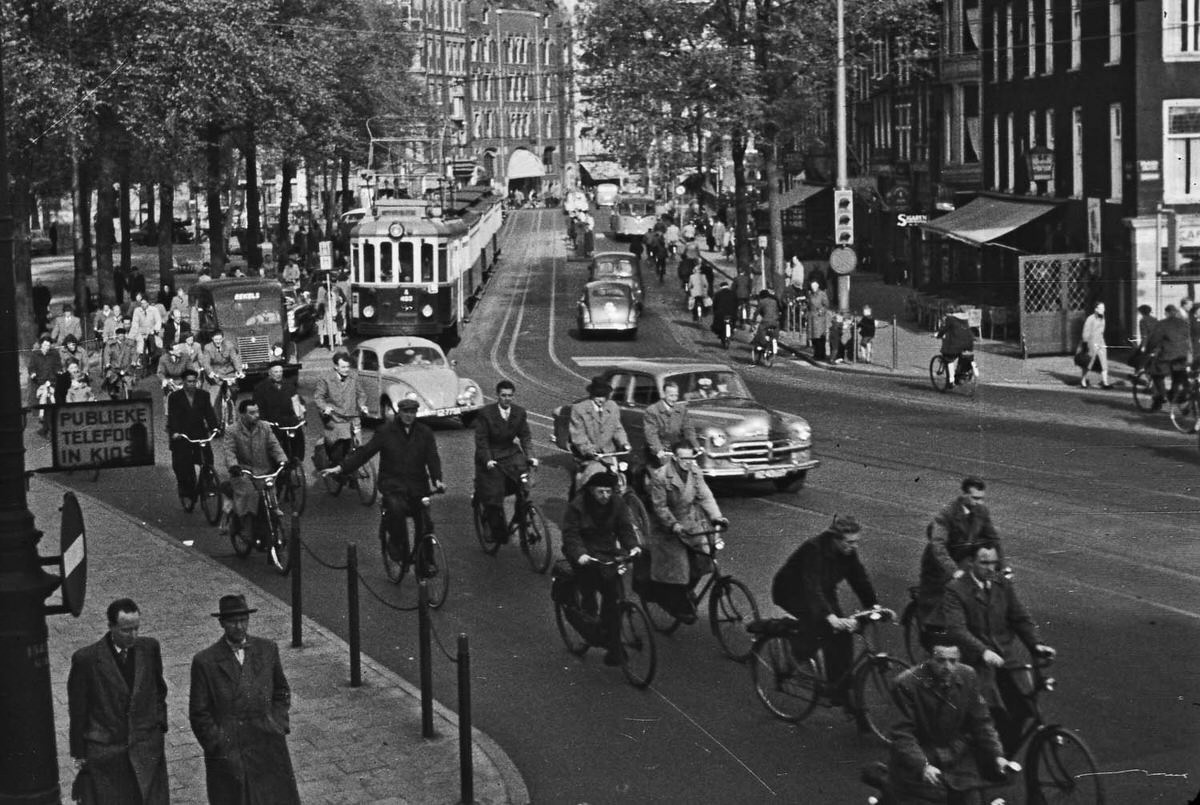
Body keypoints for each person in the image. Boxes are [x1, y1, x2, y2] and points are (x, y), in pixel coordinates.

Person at [942, 544, 1056, 754]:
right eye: (984, 563)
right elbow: (956, 629)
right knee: (992, 712)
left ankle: (1004, 755)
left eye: (993, 563)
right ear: (971, 563)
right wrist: (983, 651)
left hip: (1005, 659)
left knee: (1023, 706)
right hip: (975, 662)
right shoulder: (955, 590)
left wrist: (1036, 643)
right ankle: (986, 754)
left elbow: (1019, 616)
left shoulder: (1001, 583)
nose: (990, 568)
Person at [189, 594, 300, 805]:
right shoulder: (206, 661)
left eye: (243, 620)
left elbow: (282, 691)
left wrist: (277, 723)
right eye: (232, 622)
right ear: (222, 623)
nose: (239, 627)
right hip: (231, 751)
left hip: (267, 745)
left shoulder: (267, 649)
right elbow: (199, 713)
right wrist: (218, 743)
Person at [770, 514, 884, 707]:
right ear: (835, 539)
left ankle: (837, 689)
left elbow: (860, 580)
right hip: (792, 591)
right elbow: (811, 585)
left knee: (843, 634)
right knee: (821, 626)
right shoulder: (814, 549)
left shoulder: (848, 553)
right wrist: (829, 616)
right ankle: (797, 657)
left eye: (857, 542)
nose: (854, 546)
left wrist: (874, 606)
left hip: (824, 591)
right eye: (850, 542)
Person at [68, 598, 169, 805]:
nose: (133, 635)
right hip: (107, 757)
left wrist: (160, 724)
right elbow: (78, 711)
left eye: (136, 628)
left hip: (146, 751)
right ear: (111, 627)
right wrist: (80, 755)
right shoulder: (86, 660)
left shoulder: (149, 648)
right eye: (126, 630)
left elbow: (159, 690)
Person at [886, 639, 1012, 804]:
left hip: (957, 757)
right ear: (928, 658)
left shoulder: (968, 675)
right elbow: (901, 733)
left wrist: (997, 756)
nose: (947, 667)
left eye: (953, 661)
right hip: (921, 759)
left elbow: (981, 722)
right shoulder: (906, 684)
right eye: (940, 660)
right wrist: (922, 765)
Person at [324, 398, 444, 570]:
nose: (409, 416)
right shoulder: (386, 431)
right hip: (393, 485)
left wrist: (437, 479)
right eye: (406, 412)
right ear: (399, 412)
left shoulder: (425, 432)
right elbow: (365, 453)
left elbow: (432, 457)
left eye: (412, 412)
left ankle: (426, 560)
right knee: (396, 510)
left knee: (425, 523)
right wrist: (341, 468)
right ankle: (395, 545)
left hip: (418, 485)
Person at [561, 472, 642, 665]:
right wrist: (580, 554)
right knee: (588, 588)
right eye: (601, 492)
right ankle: (589, 623)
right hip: (584, 551)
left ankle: (612, 643)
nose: (605, 496)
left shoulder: (618, 503)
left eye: (608, 491)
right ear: (591, 490)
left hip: (606, 549)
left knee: (612, 595)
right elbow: (571, 534)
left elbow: (625, 528)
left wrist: (632, 546)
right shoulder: (577, 506)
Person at [644, 442, 727, 623]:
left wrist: (717, 517)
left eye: (691, 458)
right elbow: (660, 507)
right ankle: (675, 602)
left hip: (690, 524)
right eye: (684, 458)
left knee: (705, 561)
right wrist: (673, 525)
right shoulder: (661, 476)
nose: (688, 462)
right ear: (675, 458)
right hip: (667, 530)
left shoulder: (695, 472)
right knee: (679, 567)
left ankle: (686, 592)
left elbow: (705, 496)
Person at [916, 477, 1000, 636]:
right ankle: (932, 635)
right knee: (940, 598)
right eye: (975, 498)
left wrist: (1003, 566)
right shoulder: (946, 514)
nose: (979, 503)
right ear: (964, 495)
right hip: (939, 562)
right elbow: (938, 545)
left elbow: (993, 539)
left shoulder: (981, 511)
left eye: (982, 498)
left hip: (962, 557)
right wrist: (954, 571)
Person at [474, 380, 537, 544]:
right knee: (494, 493)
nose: (507, 399)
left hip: (510, 452)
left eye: (510, 396)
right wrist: (488, 460)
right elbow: (481, 441)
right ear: (498, 396)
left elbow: (525, 436)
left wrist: (530, 456)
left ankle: (520, 515)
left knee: (524, 482)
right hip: (491, 454)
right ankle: (493, 526)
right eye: (503, 395)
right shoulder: (486, 414)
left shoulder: (519, 412)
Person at [221, 399, 287, 539]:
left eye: (257, 412)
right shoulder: (232, 431)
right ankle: (246, 526)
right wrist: (234, 466)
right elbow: (229, 451)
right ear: (242, 415)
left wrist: (282, 459)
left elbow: (274, 445)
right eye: (252, 413)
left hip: (263, 471)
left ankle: (272, 518)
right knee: (248, 496)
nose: (256, 415)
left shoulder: (265, 427)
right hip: (243, 472)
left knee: (271, 496)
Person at [567, 376, 630, 489]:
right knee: (589, 482)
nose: (601, 399)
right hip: (589, 457)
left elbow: (617, 429)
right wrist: (590, 450)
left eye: (604, 396)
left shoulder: (613, 407)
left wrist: (624, 443)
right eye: (598, 396)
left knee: (622, 480)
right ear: (592, 395)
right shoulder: (579, 409)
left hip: (609, 455)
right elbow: (578, 436)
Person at [168, 369, 219, 505]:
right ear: (183, 382)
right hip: (182, 434)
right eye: (189, 382)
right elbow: (173, 417)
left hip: (199, 432)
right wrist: (175, 432)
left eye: (194, 381)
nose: (192, 384)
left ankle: (208, 483)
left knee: (207, 458)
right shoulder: (175, 397)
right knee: (183, 464)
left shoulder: (203, 395)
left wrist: (215, 427)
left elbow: (209, 413)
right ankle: (186, 489)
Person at [312, 351, 368, 471]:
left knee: (358, 445)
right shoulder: (326, 378)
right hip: (335, 417)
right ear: (336, 367)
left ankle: (354, 472)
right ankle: (338, 467)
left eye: (348, 366)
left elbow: (361, 394)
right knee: (339, 446)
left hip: (352, 416)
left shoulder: (354, 376)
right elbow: (318, 397)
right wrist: (325, 408)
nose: (346, 370)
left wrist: (362, 405)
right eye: (343, 367)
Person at [254, 360, 306, 465]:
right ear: (269, 373)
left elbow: (297, 400)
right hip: (272, 421)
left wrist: (301, 413)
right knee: (275, 445)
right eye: (276, 372)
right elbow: (258, 407)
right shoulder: (260, 388)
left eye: (280, 372)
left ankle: (297, 459)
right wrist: (263, 421)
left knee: (298, 438)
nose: (279, 374)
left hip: (289, 420)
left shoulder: (289, 384)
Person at [1143, 304, 1192, 411]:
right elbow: (1188, 339)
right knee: (1177, 377)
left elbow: (1153, 340)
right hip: (1181, 357)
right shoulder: (1184, 324)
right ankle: (1174, 397)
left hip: (1166, 357)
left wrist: (1147, 351)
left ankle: (1163, 396)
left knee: (1156, 374)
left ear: (1166, 313)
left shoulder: (1163, 324)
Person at [642, 380, 697, 469]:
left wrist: (695, 445)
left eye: (676, 395)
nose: (674, 399)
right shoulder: (652, 411)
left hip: (677, 450)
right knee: (663, 475)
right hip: (660, 452)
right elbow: (651, 433)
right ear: (664, 394)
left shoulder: (682, 409)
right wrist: (658, 450)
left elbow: (688, 429)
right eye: (671, 396)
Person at [935, 308, 976, 386]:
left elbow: (944, 329)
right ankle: (962, 374)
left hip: (956, 343)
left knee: (949, 358)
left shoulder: (950, 319)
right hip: (968, 343)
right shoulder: (965, 318)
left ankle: (951, 380)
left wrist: (939, 335)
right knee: (963, 357)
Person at [1076, 301, 1111, 388]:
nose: (1103, 310)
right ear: (1096, 309)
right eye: (1101, 308)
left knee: (1104, 361)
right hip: (1091, 342)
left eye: (1104, 308)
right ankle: (1083, 380)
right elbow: (1085, 332)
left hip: (1101, 342)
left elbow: (1102, 331)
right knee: (1089, 362)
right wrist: (1085, 344)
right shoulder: (1090, 319)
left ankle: (1105, 382)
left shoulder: (1103, 318)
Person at [201, 328, 243, 397]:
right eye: (216, 339)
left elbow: (235, 358)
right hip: (215, 372)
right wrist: (210, 372)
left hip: (228, 371)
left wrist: (239, 370)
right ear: (212, 338)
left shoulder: (229, 345)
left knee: (234, 390)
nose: (218, 341)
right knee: (213, 392)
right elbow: (206, 362)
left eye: (220, 339)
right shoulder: (207, 347)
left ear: (223, 338)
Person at [806, 281, 831, 361]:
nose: (813, 288)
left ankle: (821, 354)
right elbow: (809, 305)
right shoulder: (810, 294)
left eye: (814, 287)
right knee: (813, 337)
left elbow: (826, 305)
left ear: (817, 287)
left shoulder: (822, 294)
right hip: (811, 317)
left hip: (819, 318)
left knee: (820, 337)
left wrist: (821, 311)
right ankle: (816, 353)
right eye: (812, 287)